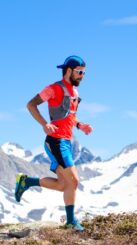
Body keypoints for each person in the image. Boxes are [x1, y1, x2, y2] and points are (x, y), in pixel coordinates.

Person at [14, 55, 92, 231]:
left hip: (67, 141)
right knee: (74, 181)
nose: (82, 76)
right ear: (69, 71)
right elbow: (31, 104)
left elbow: (70, 116)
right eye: (80, 72)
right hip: (56, 141)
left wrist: (80, 125)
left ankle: (26, 182)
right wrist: (44, 124)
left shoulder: (74, 92)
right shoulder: (54, 89)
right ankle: (71, 222)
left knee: (64, 185)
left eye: (84, 73)